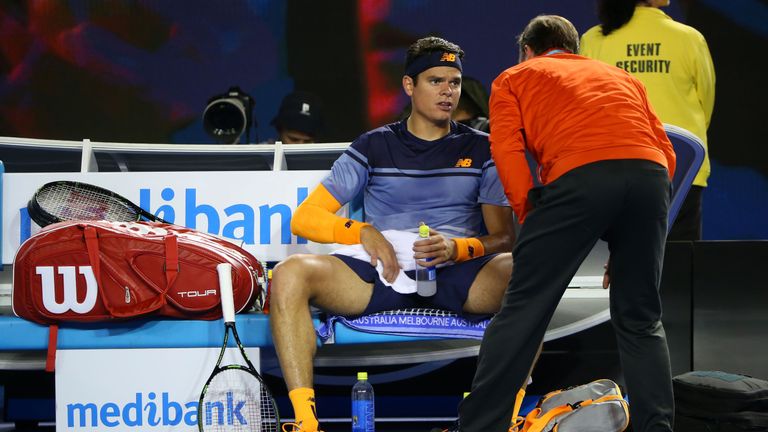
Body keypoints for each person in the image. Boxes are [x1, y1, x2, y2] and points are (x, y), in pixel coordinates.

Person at [268, 36, 516, 432]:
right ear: (409, 86)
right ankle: (305, 421)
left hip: (458, 273)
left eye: (454, 82)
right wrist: (362, 231)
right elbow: (305, 218)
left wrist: (458, 247)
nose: (448, 92)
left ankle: (507, 415)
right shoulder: (373, 145)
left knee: (524, 270)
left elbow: (503, 239)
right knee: (289, 273)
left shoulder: (483, 148)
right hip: (381, 273)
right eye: (436, 81)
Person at [453, 15, 676, 432]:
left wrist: (528, 215)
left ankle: (478, 427)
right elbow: (665, 151)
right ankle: (658, 427)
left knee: (522, 311)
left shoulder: (515, 76)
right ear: (574, 50)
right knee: (640, 318)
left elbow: (506, 149)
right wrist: (636, 239)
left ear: (527, 50)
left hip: (578, 178)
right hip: (649, 180)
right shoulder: (621, 77)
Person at [580, 0, 715, 240]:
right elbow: (706, 99)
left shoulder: (593, 40)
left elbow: (585, 106)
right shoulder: (689, 38)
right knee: (680, 263)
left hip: (615, 168)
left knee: (625, 259)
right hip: (682, 166)